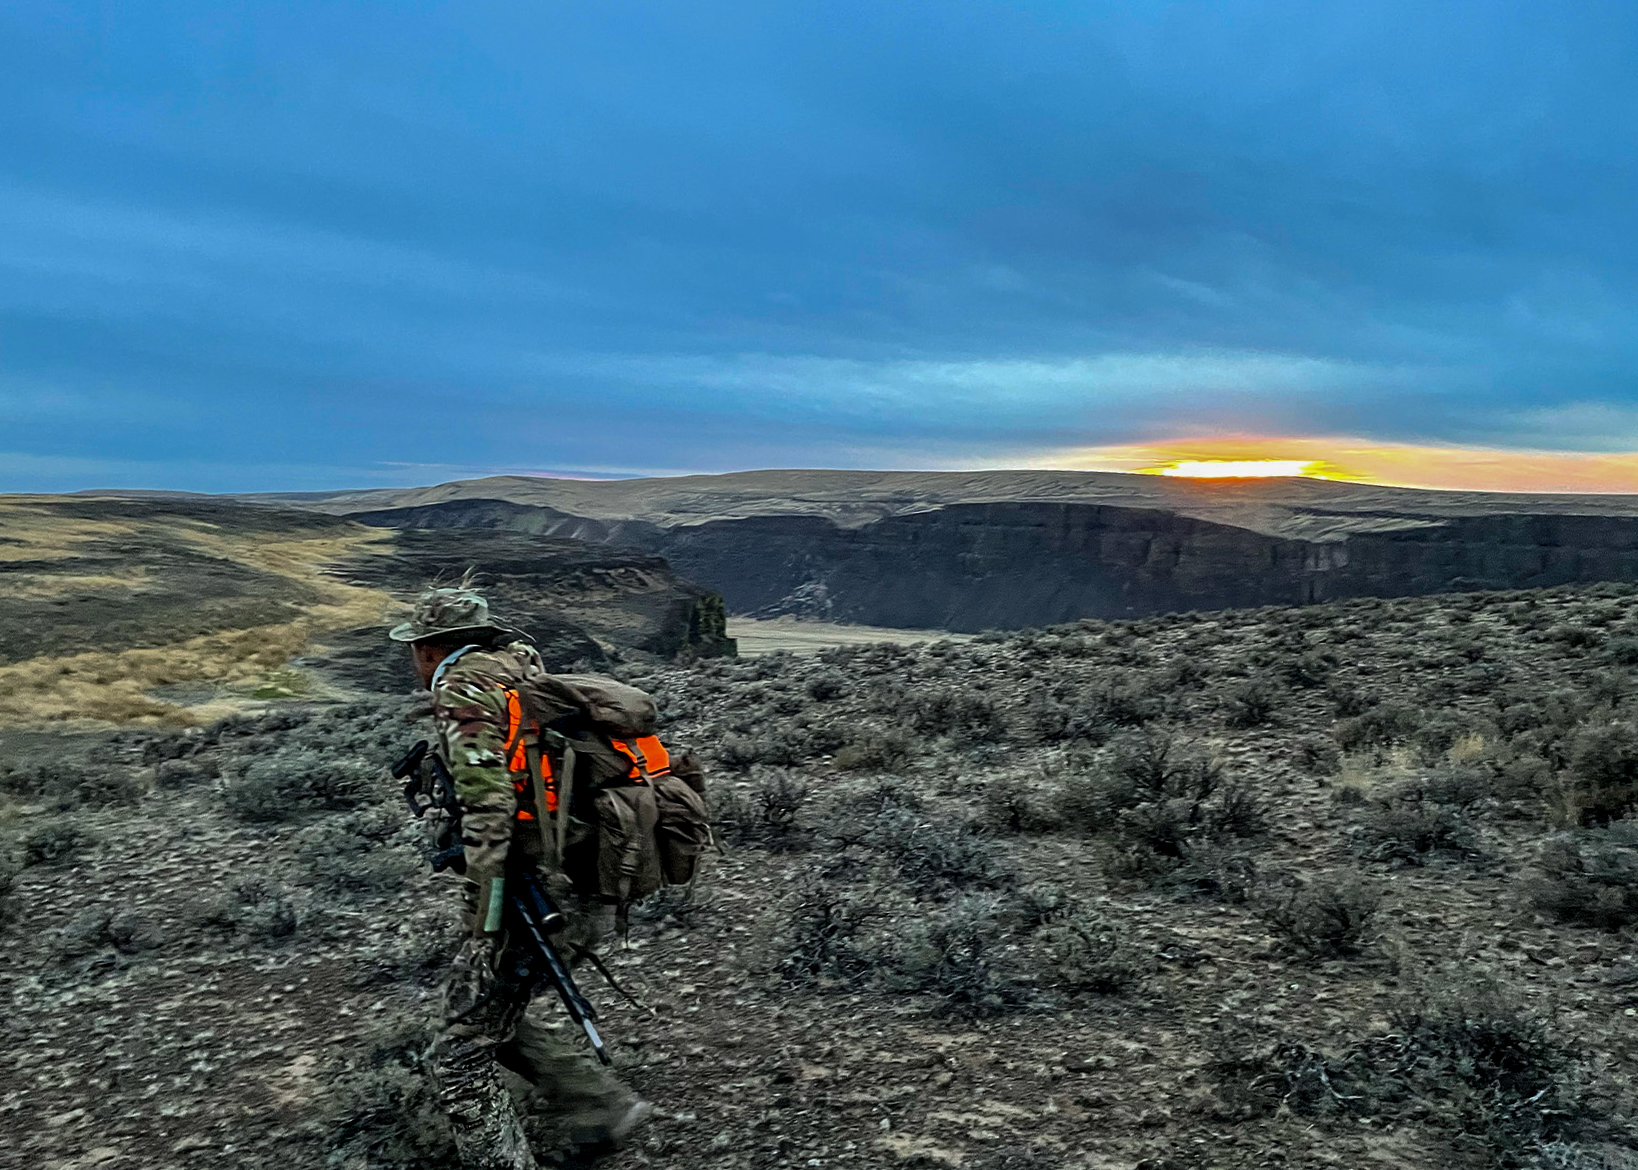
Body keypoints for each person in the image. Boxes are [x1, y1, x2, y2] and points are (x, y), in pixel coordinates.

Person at [390, 584, 649, 1170]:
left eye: (416, 648)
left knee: (458, 1048)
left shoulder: (462, 687)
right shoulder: (519, 663)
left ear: (432, 649)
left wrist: (484, 922)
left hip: (539, 888)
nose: (414, 661)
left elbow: (489, 807)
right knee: (495, 1016)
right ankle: (601, 1106)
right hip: (588, 869)